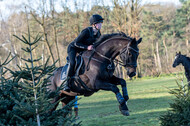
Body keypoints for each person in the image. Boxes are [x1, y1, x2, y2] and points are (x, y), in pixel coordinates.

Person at [64, 14, 104, 91]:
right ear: (94, 24)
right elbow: (76, 43)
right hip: (73, 48)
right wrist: (87, 47)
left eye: (101, 23)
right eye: (99, 23)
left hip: (83, 50)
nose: (101, 25)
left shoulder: (98, 34)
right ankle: (67, 83)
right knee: (72, 62)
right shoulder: (86, 31)